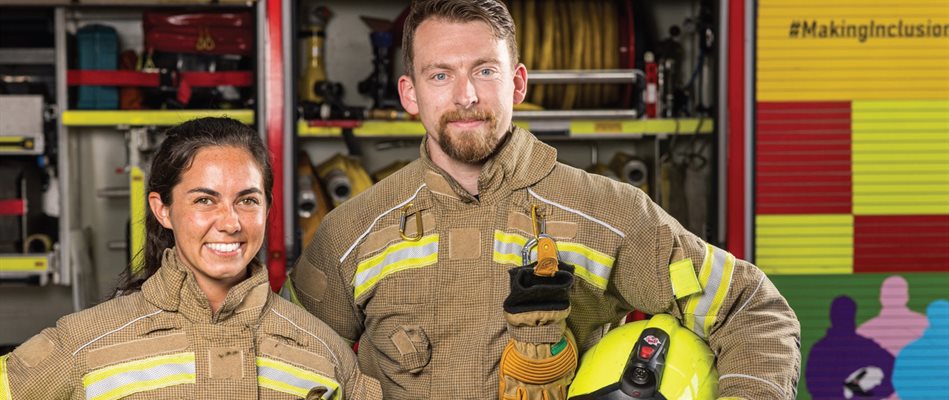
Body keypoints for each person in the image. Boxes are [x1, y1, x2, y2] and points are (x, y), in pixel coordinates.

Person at [285, 1, 801, 399]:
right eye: (440, 74)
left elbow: (752, 308)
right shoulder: (350, 232)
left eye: (485, 71)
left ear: (518, 83)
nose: (465, 95)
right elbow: (284, 355)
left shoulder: (607, 213)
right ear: (410, 93)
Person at [0, 117, 381, 400]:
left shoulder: (326, 355)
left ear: (267, 208)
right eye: (204, 200)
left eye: (247, 200)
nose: (230, 223)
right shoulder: (82, 345)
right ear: (162, 209)